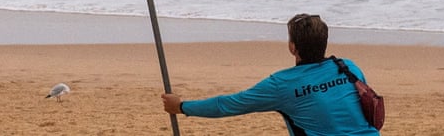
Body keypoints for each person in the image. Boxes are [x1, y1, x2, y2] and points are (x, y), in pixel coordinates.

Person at [161, 13, 381, 135]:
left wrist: (181, 106)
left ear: (292, 47)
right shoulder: (349, 67)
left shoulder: (282, 85)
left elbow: (228, 105)